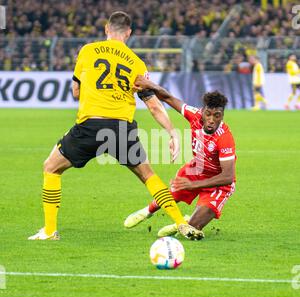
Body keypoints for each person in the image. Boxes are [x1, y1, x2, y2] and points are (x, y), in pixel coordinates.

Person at [28, 11, 203, 241]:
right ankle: (181, 223)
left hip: (90, 126)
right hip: (121, 128)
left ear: (106, 29)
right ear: (128, 33)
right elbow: (153, 106)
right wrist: (172, 133)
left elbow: (76, 90)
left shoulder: (88, 50)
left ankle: (50, 231)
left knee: (51, 167)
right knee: (148, 175)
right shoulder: (137, 63)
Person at [124, 75, 236, 238]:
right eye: (208, 114)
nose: (211, 120)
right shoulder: (195, 116)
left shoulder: (224, 137)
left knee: (192, 229)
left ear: (222, 116)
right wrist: (150, 84)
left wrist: (194, 184)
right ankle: (146, 211)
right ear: (203, 112)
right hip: (196, 170)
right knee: (172, 194)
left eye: (217, 115)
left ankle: (184, 222)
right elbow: (168, 97)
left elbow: (227, 176)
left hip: (218, 184)